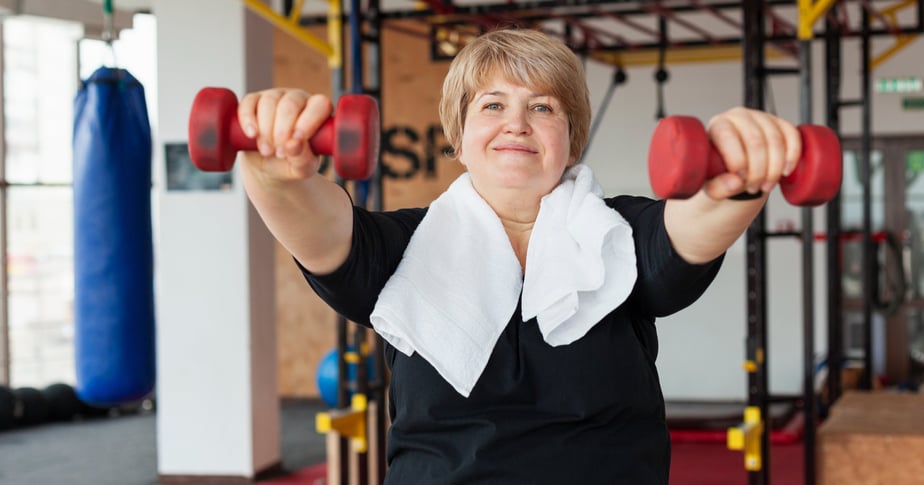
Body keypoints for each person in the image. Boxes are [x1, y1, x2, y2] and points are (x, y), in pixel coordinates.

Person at [235, 28, 801, 485]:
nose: (517, 123)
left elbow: (689, 230)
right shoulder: (406, 248)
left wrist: (735, 179)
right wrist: (274, 174)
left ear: (572, 140)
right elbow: (320, 228)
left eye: (543, 107)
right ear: (458, 137)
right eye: (493, 104)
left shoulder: (616, 235)